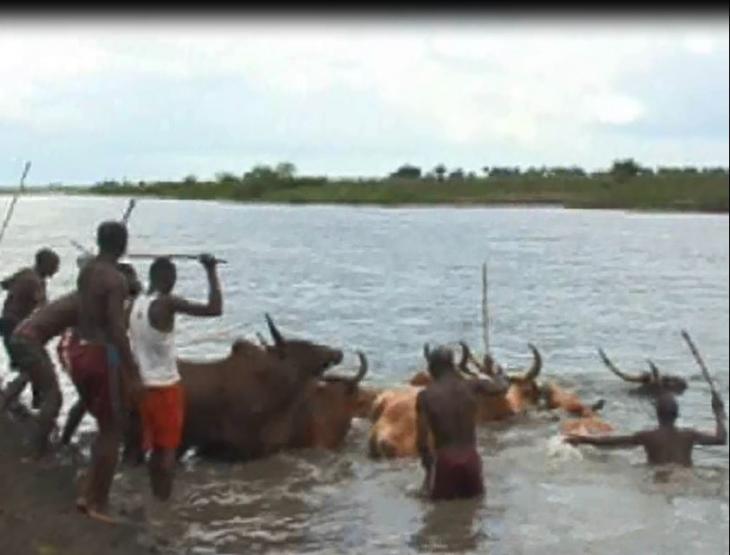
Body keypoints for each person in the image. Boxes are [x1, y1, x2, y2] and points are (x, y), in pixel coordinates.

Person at [64, 221, 144, 523]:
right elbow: (116, 328)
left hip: (78, 349)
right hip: (102, 354)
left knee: (104, 423)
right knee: (113, 429)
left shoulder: (87, 271)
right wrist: (131, 371)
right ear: (123, 244)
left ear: (98, 242)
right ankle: (98, 503)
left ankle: (88, 493)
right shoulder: (116, 280)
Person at [129, 254, 222, 501]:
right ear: (169, 279)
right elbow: (214, 309)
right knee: (168, 449)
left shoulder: (136, 303)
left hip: (142, 386)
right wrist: (210, 271)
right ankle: (164, 501)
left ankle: (155, 496)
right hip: (165, 386)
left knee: (153, 449)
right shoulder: (166, 303)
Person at [58, 263, 143, 449]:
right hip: (83, 349)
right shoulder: (109, 299)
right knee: (98, 397)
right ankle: (108, 438)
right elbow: (118, 330)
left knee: (96, 396)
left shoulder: (107, 296)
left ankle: (68, 439)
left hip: (91, 348)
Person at [416, 345, 506, 501]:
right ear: (452, 365)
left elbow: (422, 441)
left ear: (433, 368)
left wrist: (429, 470)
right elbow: (501, 388)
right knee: (476, 506)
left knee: (440, 510)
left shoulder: (426, 396)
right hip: (471, 460)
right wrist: (499, 374)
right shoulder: (472, 385)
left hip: (445, 462)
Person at [566, 390, 727, 467]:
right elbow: (721, 439)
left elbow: (611, 442)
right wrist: (718, 413)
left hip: (658, 479)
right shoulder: (689, 435)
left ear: (657, 414)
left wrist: (582, 439)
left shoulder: (647, 437)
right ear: (677, 414)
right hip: (686, 476)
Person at [0, 248, 60, 407]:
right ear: (44, 264)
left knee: (28, 366)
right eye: (54, 265)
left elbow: (4, 284)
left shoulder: (25, 273)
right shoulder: (36, 282)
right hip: (17, 327)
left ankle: (31, 401)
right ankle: (8, 400)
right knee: (32, 368)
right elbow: (44, 308)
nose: (56, 269)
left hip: (6, 323)